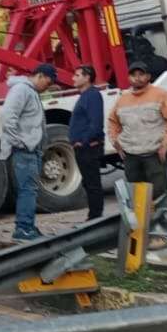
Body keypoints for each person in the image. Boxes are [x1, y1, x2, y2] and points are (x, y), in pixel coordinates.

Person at [107, 62, 167, 200]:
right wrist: (116, 144)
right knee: (138, 198)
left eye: (141, 74)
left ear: (148, 76)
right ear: (128, 78)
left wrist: (166, 145)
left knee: (158, 195)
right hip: (131, 157)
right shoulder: (122, 99)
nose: (137, 78)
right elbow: (113, 122)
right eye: (133, 75)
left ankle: (157, 213)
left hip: (154, 155)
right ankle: (143, 215)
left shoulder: (161, 95)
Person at [0, 63, 58, 242]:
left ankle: (27, 225)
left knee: (29, 190)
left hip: (31, 150)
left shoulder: (30, 91)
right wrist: (20, 143)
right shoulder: (21, 90)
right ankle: (24, 228)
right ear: (40, 75)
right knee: (28, 190)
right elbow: (7, 116)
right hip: (24, 150)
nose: (47, 87)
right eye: (47, 83)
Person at [68, 65, 106, 220]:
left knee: (92, 183)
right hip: (83, 148)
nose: (73, 78)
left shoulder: (92, 96)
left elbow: (96, 123)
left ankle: (95, 216)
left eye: (77, 75)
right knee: (88, 182)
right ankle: (93, 214)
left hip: (88, 148)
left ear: (87, 77)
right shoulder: (85, 96)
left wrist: (83, 141)